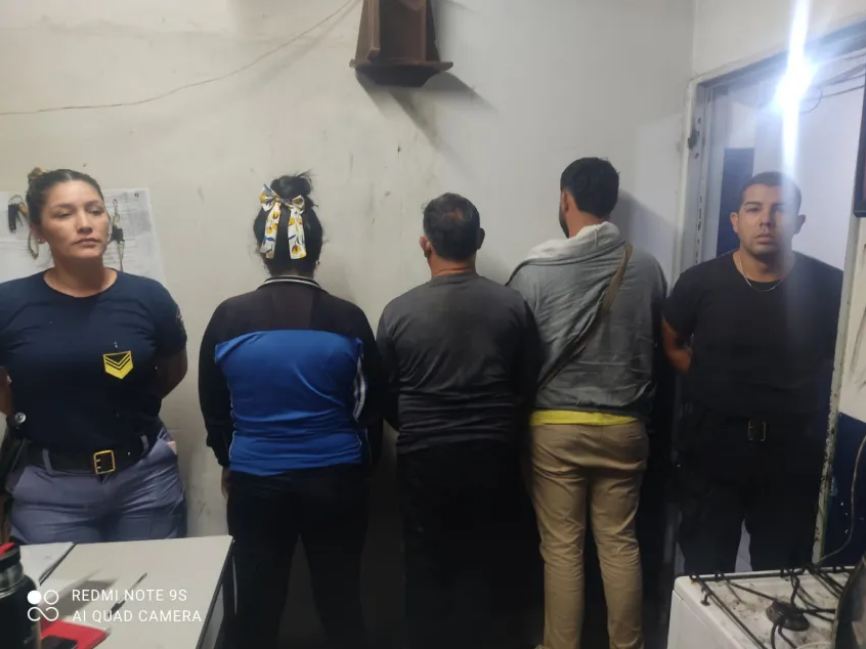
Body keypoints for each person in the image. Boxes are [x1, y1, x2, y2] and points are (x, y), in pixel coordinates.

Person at [198, 174, 383, 649]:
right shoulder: (348, 318)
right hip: (336, 482)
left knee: (256, 609)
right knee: (341, 602)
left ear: (262, 250)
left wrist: (230, 461)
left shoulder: (228, 318)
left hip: (256, 485)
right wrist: (362, 468)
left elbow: (214, 408)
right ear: (315, 250)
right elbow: (369, 408)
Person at [508, 157, 666, 649]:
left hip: (555, 429)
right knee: (620, 543)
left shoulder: (534, 272)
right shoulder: (646, 267)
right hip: (625, 428)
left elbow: (515, 352)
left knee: (562, 549)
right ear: (611, 202)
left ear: (565, 199)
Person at [376, 193, 540, 649]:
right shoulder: (511, 306)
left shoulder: (397, 312)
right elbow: (528, 382)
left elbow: (384, 392)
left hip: (424, 459)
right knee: (491, 569)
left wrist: (417, 424)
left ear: (425, 244)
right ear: (479, 239)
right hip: (494, 456)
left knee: (427, 571)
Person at [663, 171, 842, 574]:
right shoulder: (700, 283)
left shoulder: (830, 286)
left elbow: (842, 362)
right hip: (714, 451)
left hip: (791, 456)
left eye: (779, 210)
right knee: (706, 574)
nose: (766, 220)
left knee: (783, 576)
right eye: (754, 209)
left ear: (798, 222)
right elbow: (672, 343)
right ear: (735, 220)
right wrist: (710, 383)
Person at [0, 168, 188, 543]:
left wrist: (124, 404)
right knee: (63, 585)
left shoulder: (148, 296)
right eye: (64, 214)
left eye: (95, 210)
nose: (85, 224)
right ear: (38, 230)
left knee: (151, 580)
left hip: (145, 483)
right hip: (49, 491)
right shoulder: (8, 303)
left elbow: (172, 368)